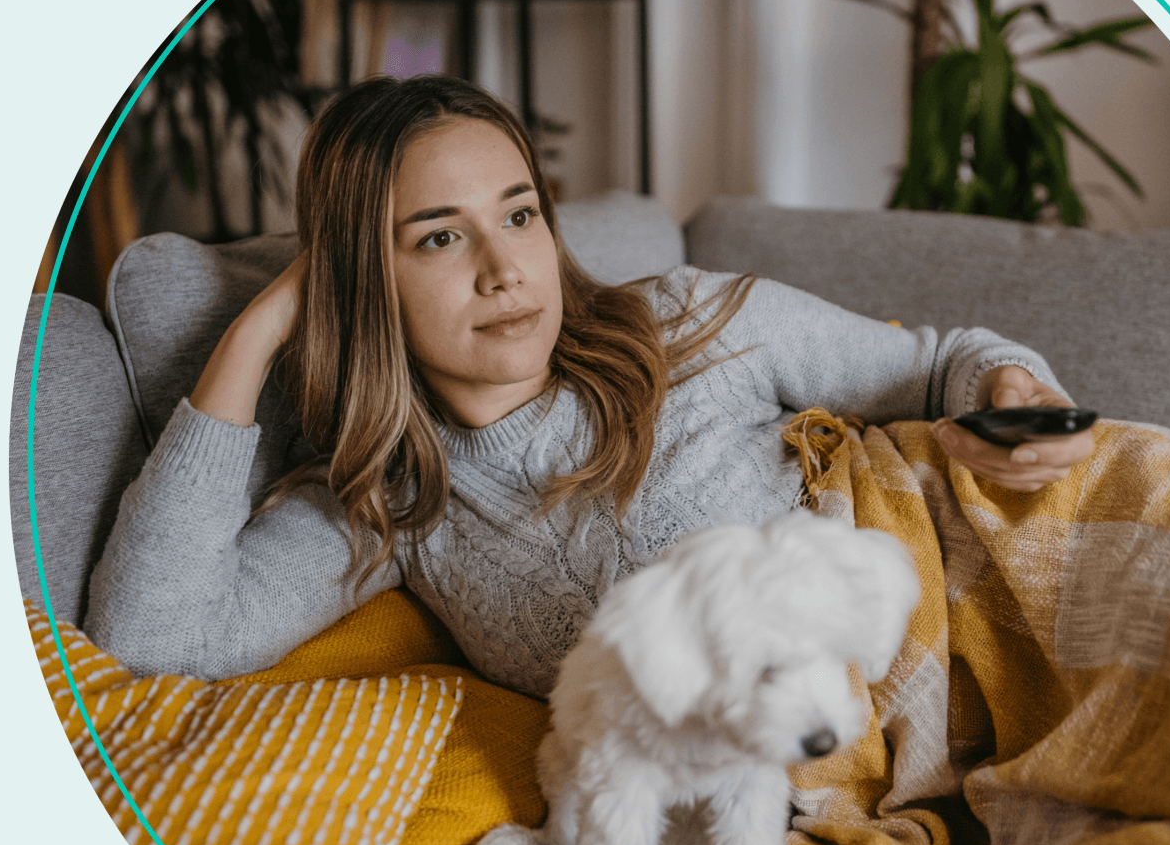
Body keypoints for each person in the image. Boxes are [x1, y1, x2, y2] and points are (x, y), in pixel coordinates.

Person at [85, 75, 1093, 699]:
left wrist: (1011, 386)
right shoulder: (390, 505)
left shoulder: (690, 323)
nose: (504, 266)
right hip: (859, 724)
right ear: (361, 277)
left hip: (995, 552)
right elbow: (154, 637)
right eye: (440, 235)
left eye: (519, 214)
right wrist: (259, 328)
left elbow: (939, 360)